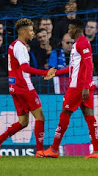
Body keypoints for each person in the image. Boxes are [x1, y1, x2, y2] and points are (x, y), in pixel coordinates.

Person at [37, 19, 98, 159]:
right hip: (83, 85)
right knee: (89, 116)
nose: (68, 32)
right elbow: (73, 68)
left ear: (77, 29)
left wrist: (84, 87)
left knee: (65, 114)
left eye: (70, 29)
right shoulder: (77, 44)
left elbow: (89, 65)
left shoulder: (83, 43)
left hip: (79, 86)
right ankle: (96, 151)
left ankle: (53, 150)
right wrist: (55, 73)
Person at [0, 18, 55, 157]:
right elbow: (25, 68)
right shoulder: (20, 46)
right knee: (40, 117)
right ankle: (40, 151)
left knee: (23, 122)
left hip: (14, 86)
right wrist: (45, 72)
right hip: (24, 87)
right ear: (23, 32)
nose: (33, 33)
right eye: (30, 30)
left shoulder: (13, 45)